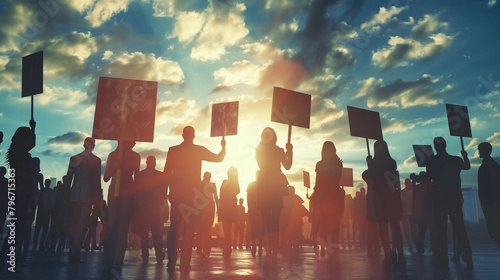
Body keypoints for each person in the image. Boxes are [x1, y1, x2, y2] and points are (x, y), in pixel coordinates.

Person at [163, 126, 225, 273]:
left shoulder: (173, 150)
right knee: (188, 230)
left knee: (174, 228)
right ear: (194, 136)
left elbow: (166, 172)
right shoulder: (199, 150)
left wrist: (166, 193)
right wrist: (223, 147)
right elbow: (219, 158)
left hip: (176, 194)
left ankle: (171, 261)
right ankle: (185, 263)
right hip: (192, 196)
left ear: (183, 135)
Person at [426, 137, 472, 268]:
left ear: (435, 146)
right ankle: (468, 255)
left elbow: (429, 177)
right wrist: (465, 156)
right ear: (445, 145)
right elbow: (467, 166)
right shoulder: (456, 160)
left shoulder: (432, 161)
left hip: (439, 199)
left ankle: (442, 257)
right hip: (455, 198)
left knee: (441, 229)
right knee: (459, 227)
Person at [1, 123, 36, 271]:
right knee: (17, 228)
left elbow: (32, 144)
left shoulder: (17, 152)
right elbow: (32, 144)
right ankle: (5, 257)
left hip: (22, 192)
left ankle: (6, 257)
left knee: (18, 228)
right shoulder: (19, 153)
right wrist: (33, 129)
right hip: (20, 193)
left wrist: (32, 129)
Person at [102, 141, 140, 277]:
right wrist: (115, 167)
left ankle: (117, 263)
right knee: (112, 228)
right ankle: (108, 262)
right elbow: (106, 177)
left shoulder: (136, 156)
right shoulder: (112, 155)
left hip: (128, 193)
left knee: (123, 229)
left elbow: (137, 177)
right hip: (114, 192)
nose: (134, 142)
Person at [255, 127, 292, 267]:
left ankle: (269, 250)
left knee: (265, 222)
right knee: (275, 222)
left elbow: (261, 165)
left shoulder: (259, 151)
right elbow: (288, 166)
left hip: (264, 185)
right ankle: (274, 251)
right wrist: (289, 151)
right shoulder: (278, 150)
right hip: (275, 186)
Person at [366, 140, 405, 270]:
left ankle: (387, 254)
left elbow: (371, 177)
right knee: (395, 228)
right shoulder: (392, 162)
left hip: (380, 199)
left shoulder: (374, 164)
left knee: (382, 228)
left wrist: (369, 163)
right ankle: (401, 255)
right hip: (392, 198)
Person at [67, 137, 102, 263]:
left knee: (73, 224)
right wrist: (97, 198)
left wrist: (66, 194)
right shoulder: (96, 160)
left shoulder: (74, 158)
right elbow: (97, 182)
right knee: (82, 225)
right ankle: (75, 252)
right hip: (87, 197)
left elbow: (68, 178)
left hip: (73, 195)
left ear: (83, 145)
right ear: (93, 146)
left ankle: (72, 250)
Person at [131, 156, 166, 264]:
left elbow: (135, 192)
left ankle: (145, 255)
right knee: (156, 233)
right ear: (154, 163)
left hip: (143, 208)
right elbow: (164, 189)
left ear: (146, 163)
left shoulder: (139, 175)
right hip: (154, 208)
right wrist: (162, 199)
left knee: (144, 233)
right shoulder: (160, 175)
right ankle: (159, 255)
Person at [315, 141, 344, 264]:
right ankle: (335, 248)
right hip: (335, 195)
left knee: (324, 223)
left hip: (323, 195)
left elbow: (318, 182)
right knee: (335, 224)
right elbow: (338, 179)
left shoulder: (320, 164)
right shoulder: (338, 164)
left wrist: (316, 196)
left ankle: (325, 246)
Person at [477, 142, 500, 248]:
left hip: (491, 203)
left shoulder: (488, 166)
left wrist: (488, 201)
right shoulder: (493, 164)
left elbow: (491, 184)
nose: (478, 152)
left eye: (479, 150)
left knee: (494, 230)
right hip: (492, 201)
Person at [219, 167, 240, 260]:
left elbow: (221, 194)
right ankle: (227, 246)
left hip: (225, 208)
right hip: (230, 208)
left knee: (226, 228)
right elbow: (237, 191)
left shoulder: (225, 182)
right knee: (229, 228)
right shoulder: (234, 183)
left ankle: (227, 246)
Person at [196, 172, 218, 258]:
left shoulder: (201, 184)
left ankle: (204, 249)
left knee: (203, 229)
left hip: (205, 208)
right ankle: (204, 249)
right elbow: (216, 197)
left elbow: (216, 197)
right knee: (204, 229)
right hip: (206, 208)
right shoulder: (210, 185)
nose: (208, 178)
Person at [32, 178, 52, 251]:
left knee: (37, 230)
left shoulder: (40, 191)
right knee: (45, 231)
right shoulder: (50, 191)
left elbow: (36, 202)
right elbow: (51, 203)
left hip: (40, 213)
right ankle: (41, 245)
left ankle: (35, 245)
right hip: (46, 213)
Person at [246, 172, 262, 257]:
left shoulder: (251, 185)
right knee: (259, 229)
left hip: (254, 210)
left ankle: (255, 246)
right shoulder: (263, 185)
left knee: (254, 229)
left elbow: (248, 198)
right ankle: (257, 246)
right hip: (258, 210)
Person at [401, 179, 414, 252]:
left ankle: (411, 245)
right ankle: (412, 245)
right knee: (410, 231)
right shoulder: (414, 192)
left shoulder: (402, 192)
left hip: (405, 214)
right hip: (410, 214)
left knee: (408, 231)